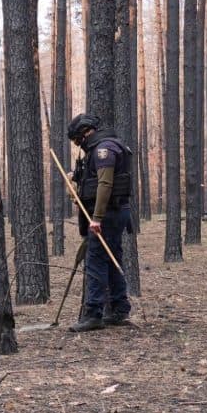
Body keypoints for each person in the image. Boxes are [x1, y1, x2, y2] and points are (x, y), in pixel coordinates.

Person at [66, 114, 132, 332]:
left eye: (77, 140)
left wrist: (97, 219)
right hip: (111, 213)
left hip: (109, 214)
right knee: (112, 259)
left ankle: (93, 313)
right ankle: (119, 308)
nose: (78, 144)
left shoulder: (104, 150)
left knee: (95, 260)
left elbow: (105, 184)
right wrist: (76, 177)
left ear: (86, 132)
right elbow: (95, 179)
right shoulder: (101, 148)